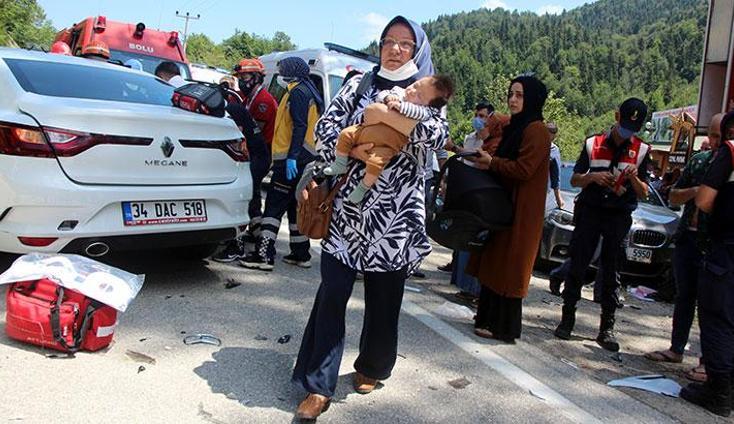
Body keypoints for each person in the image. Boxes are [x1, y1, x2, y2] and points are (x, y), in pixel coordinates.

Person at [291, 16, 447, 420]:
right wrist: (358, 148)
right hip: (346, 212)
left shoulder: (429, 93)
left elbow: (434, 137)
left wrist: (397, 115)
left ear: (418, 51)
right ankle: (318, 385)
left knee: (384, 299)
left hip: (394, 220)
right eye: (388, 41)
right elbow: (326, 130)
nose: (395, 49)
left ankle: (372, 367)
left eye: (405, 44)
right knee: (333, 293)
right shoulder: (358, 83)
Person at [554, 98, 651, 352]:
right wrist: (594, 177)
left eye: (634, 127)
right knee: (578, 263)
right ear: (617, 116)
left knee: (611, 269)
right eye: (626, 124)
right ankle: (568, 319)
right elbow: (575, 179)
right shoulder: (592, 143)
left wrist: (634, 180)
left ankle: (606, 328)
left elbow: (644, 193)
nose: (629, 131)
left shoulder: (642, 150)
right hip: (591, 211)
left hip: (618, 216)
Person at [467, 75, 550, 343]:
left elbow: (524, 170)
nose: (513, 100)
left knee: (510, 266)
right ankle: (488, 319)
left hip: (522, 209)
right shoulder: (516, 126)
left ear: (533, 99)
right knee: (496, 261)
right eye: (511, 94)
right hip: (506, 204)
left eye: (520, 95)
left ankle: (504, 328)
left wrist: (493, 163)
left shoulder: (536, 130)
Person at [644, 113, 724, 382]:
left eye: (721, 135)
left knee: (712, 306)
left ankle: (707, 361)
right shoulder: (700, 162)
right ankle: (676, 348)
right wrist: (696, 191)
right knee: (684, 296)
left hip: (714, 244)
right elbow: (675, 194)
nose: (715, 141)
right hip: (688, 238)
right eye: (712, 135)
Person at [240, 57, 323, 271]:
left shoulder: (298, 92)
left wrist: (292, 156)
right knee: (294, 206)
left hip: (291, 158)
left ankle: (263, 254)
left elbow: (299, 126)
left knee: (274, 206)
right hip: (303, 157)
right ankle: (300, 252)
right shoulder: (308, 90)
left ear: (291, 71)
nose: (279, 74)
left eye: (282, 69)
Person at [679, 111, 734, 417]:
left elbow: (703, 200)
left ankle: (718, 390)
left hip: (726, 247)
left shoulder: (730, 151)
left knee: (717, 317)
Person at [323, 75, 453, 203]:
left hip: (387, 149)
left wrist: (396, 109)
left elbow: (426, 123)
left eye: (419, 95)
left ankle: (363, 187)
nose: (412, 91)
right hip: (363, 133)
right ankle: (340, 163)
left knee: (376, 163)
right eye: (415, 85)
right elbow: (383, 95)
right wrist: (387, 98)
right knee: (345, 134)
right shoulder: (396, 91)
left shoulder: (425, 112)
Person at [213, 58, 279, 263]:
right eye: (240, 77)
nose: (242, 81)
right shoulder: (247, 97)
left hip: (258, 154)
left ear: (257, 77)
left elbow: (249, 133)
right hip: (253, 153)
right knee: (252, 198)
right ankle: (257, 234)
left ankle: (237, 245)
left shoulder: (262, 101)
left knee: (241, 199)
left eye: (246, 77)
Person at [547, 122, 564, 209]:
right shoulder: (553, 150)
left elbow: (555, 175)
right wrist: (559, 199)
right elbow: (555, 176)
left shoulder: (553, 150)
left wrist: (558, 198)